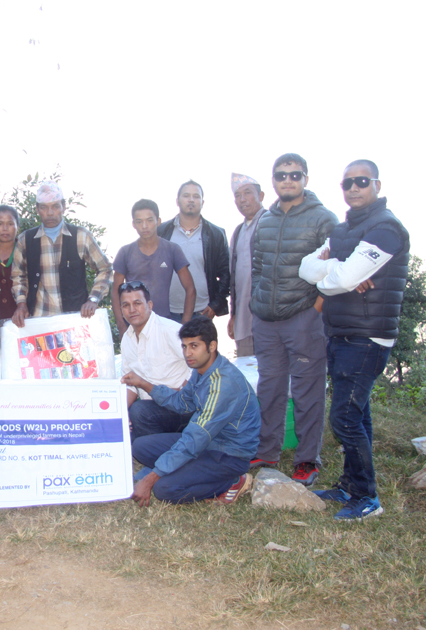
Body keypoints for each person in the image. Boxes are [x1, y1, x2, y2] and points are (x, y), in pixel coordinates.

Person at [299, 159, 409, 521]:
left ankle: (367, 498)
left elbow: (340, 281)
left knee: (345, 417)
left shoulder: (386, 229)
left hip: (367, 337)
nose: (354, 188)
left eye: (362, 181)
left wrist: (335, 271)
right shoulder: (345, 229)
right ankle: (350, 485)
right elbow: (306, 268)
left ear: (376, 184)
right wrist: (338, 268)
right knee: (357, 413)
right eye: (348, 183)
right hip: (342, 332)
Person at [250, 153, 339, 486]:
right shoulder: (266, 219)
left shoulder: (323, 219)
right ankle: (267, 450)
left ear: (305, 179)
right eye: (281, 175)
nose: (287, 181)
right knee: (270, 387)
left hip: (303, 317)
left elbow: (335, 270)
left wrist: (316, 308)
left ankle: (306, 459)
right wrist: (254, 301)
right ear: (273, 180)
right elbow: (258, 265)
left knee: (307, 390)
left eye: (294, 175)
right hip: (265, 319)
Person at [122, 316, 260, 505]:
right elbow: (182, 403)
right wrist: (144, 384)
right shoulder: (201, 370)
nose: (188, 353)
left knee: (164, 489)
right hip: (209, 444)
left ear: (212, 346)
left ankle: (233, 482)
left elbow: (195, 438)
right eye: (185, 346)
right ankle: (185, 469)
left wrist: (151, 478)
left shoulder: (223, 383)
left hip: (229, 455)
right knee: (141, 447)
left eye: (194, 346)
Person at [11, 181, 112, 327]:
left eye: (55, 206)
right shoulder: (25, 240)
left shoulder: (81, 236)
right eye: (44, 208)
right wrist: (21, 303)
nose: (50, 213)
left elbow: (105, 269)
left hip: (75, 321)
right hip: (39, 322)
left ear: (64, 207)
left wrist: (93, 299)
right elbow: (18, 275)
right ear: (37, 209)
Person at [118, 281, 192, 441]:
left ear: (149, 305)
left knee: (139, 412)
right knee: (121, 424)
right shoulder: (127, 339)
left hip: (181, 405)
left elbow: (200, 368)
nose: (132, 310)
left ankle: (167, 454)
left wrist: (181, 393)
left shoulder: (171, 331)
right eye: (126, 305)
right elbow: (130, 385)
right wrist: (119, 414)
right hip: (153, 408)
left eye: (137, 303)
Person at [111, 199, 196, 335]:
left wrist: (184, 324)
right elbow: (115, 291)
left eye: (149, 220)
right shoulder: (125, 252)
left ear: (159, 221)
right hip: (134, 327)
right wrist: (122, 327)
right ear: (133, 224)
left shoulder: (172, 249)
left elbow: (190, 288)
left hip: (164, 324)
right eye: (139, 221)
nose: (145, 226)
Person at [157, 180, 230, 323]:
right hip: (165, 312)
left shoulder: (216, 234)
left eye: (196, 196)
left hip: (201, 312)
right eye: (186, 195)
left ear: (203, 202)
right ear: (177, 201)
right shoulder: (161, 232)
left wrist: (215, 305)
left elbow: (226, 274)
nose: (191, 200)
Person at [227, 173, 267, 357]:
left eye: (247, 193)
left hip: (269, 320)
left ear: (261, 196)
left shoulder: (272, 223)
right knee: (248, 376)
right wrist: (233, 315)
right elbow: (233, 278)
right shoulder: (238, 231)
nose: (242, 199)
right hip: (243, 321)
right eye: (237, 195)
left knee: (273, 377)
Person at [0, 205, 20, 321]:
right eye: (0, 223)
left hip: (22, 319)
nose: (5, 228)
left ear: (17, 227)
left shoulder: (26, 251)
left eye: (10, 224)